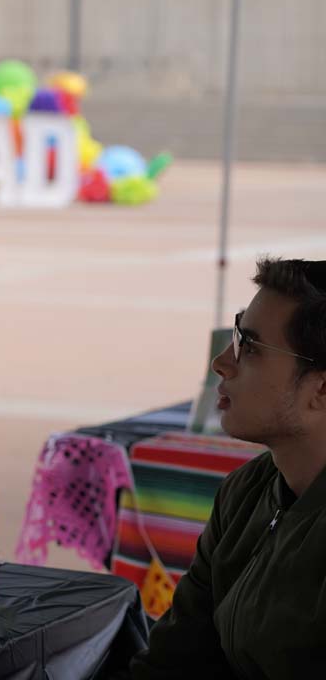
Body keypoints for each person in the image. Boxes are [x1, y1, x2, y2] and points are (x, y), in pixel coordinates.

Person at [132, 257, 326, 679]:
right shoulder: (247, 490)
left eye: (250, 347)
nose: (222, 361)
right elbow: (173, 660)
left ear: (321, 388)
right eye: (236, 337)